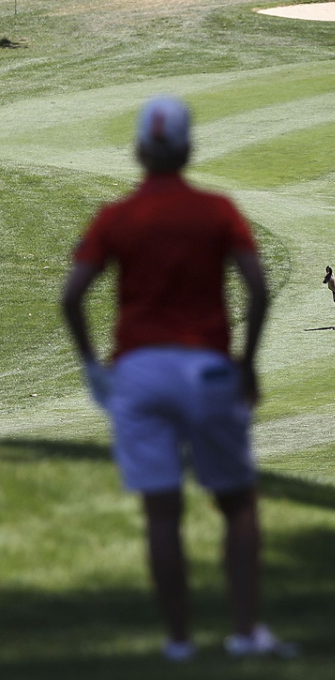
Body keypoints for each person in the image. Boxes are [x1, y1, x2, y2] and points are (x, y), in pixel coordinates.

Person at [60, 96, 294, 661]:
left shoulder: (115, 217)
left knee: (161, 511)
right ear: (188, 149)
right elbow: (259, 289)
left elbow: (72, 296)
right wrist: (249, 362)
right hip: (208, 367)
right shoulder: (217, 210)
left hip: (138, 372)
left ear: (140, 150)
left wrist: (93, 366)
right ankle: (245, 632)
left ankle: (180, 643)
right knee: (237, 503)